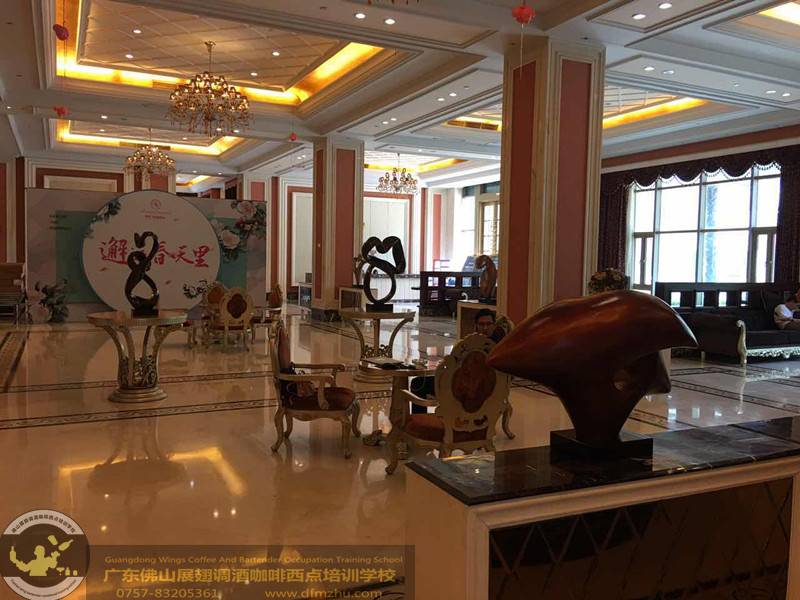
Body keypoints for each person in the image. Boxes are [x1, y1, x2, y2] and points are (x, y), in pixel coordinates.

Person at [408, 309, 506, 413]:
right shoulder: (484, 342)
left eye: (488, 324)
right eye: (482, 324)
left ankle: (419, 419)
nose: (485, 328)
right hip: (464, 383)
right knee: (421, 382)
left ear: (494, 325)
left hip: (463, 387)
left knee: (418, 384)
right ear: (476, 326)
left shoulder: (489, 345)